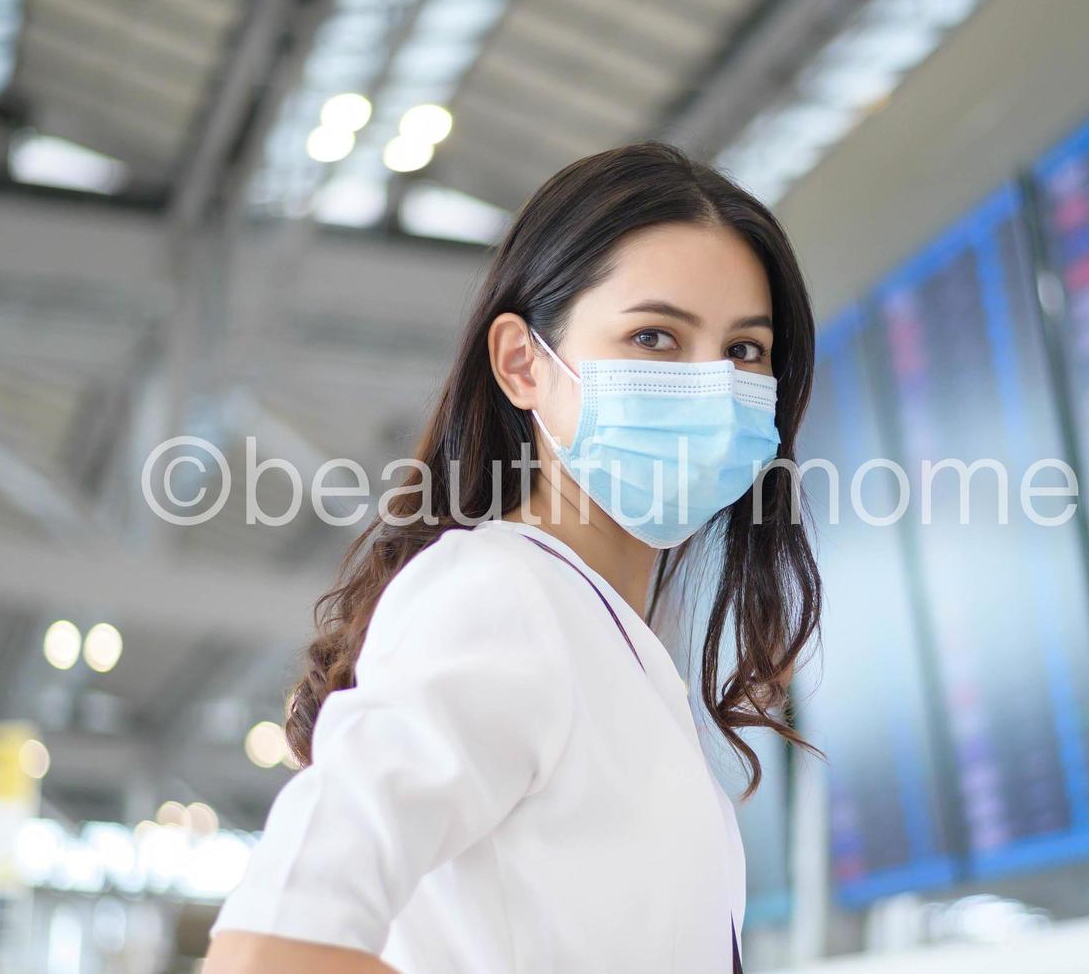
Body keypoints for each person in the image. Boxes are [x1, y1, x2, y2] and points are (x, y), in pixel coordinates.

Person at [202, 142, 821, 973]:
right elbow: (271, 949)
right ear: (523, 363)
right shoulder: (502, 595)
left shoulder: (618, 649)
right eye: (654, 337)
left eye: (744, 351)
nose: (710, 387)